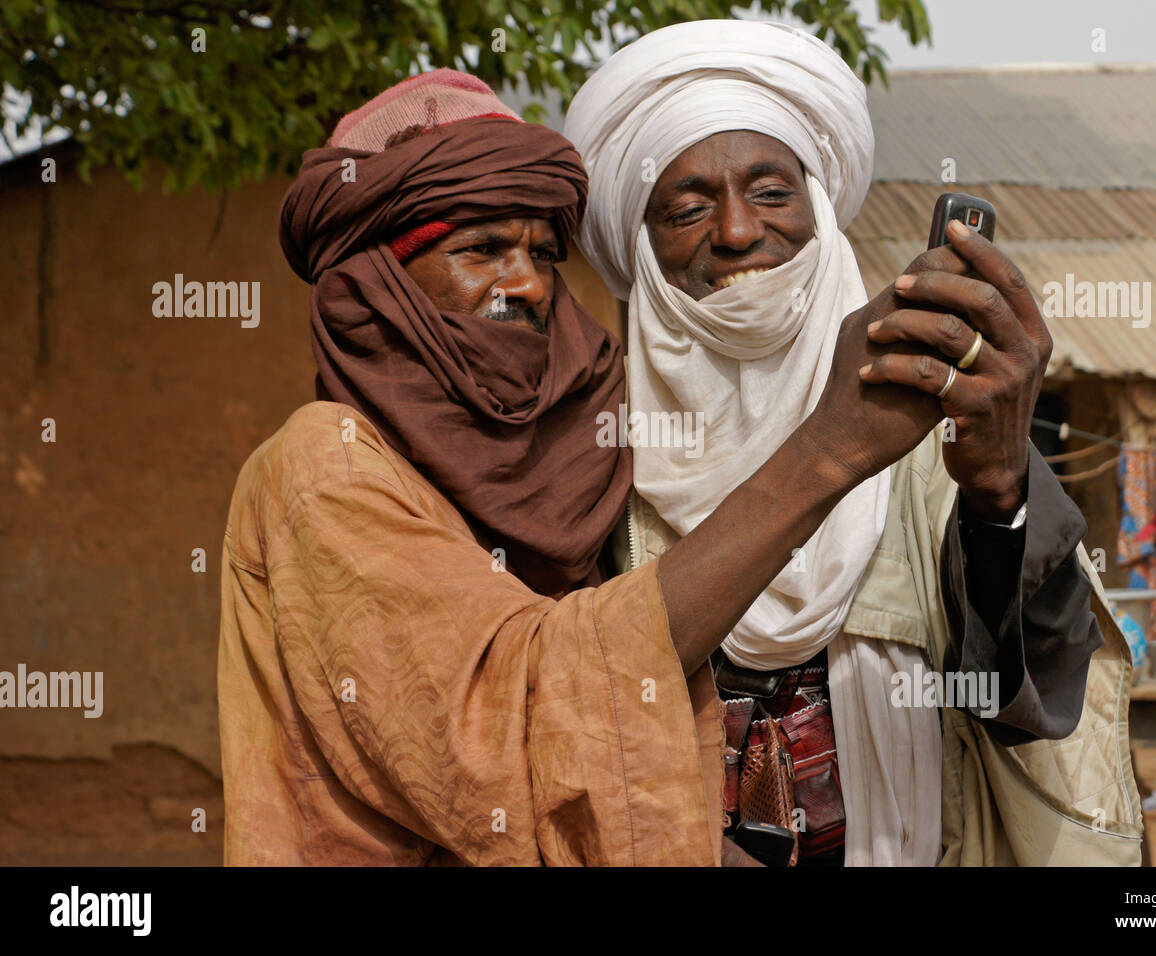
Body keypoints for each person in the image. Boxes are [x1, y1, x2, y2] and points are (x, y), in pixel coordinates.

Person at [218, 68, 964, 865]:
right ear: (377, 279)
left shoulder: (582, 432)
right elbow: (513, 719)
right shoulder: (325, 467)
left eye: (544, 251)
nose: (529, 284)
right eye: (483, 251)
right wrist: (827, 454)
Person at [564, 19, 1143, 865]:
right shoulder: (594, 450)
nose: (733, 233)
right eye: (685, 208)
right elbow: (565, 708)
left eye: (770, 194)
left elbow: (1028, 696)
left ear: (821, 211)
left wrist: (998, 491)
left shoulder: (930, 415)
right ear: (641, 250)